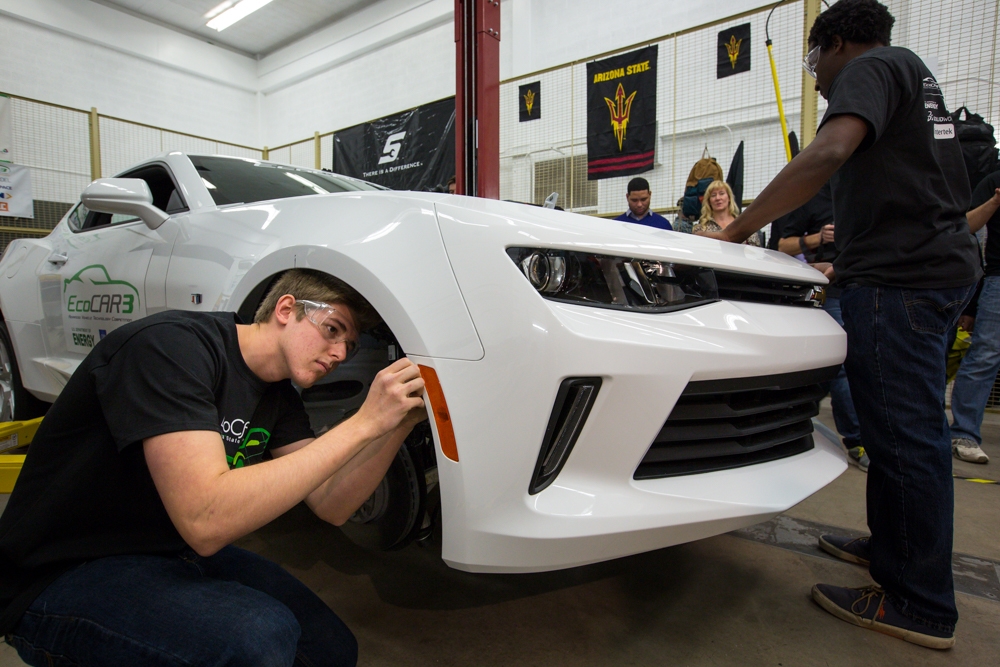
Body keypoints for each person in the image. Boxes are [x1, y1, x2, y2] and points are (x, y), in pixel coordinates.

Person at [695, 0, 980, 649]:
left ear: (837, 43)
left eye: (814, 61)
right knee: (894, 429)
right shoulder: (917, 79)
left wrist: (739, 229)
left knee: (906, 437)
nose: (817, 79)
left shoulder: (872, 66)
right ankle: (893, 552)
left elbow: (829, 150)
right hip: (926, 271)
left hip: (901, 281)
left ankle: (920, 601)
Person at [0, 269, 428, 667]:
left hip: (165, 550)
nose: (339, 353)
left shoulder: (280, 396)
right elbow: (206, 519)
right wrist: (364, 422)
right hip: (61, 571)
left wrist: (394, 425)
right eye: (332, 330)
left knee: (329, 649)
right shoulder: (172, 347)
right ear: (285, 309)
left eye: (349, 347)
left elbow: (332, 504)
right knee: (257, 637)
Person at [777, 183, 867, 471]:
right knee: (840, 364)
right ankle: (857, 439)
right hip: (830, 289)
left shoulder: (869, 189)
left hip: (872, 284)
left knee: (856, 365)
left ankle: (796, 419)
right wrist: (818, 238)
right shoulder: (812, 197)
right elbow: (783, 245)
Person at [948, 175, 1000, 464]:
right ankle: (964, 433)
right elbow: (966, 227)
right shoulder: (994, 179)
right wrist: (995, 201)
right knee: (985, 355)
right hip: (997, 278)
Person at [692, 180, 761, 246]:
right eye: (713, 195)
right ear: (709, 202)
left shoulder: (743, 226)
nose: (718, 198)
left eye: (721, 193)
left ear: (729, 198)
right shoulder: (701, 229)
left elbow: (755, 252)